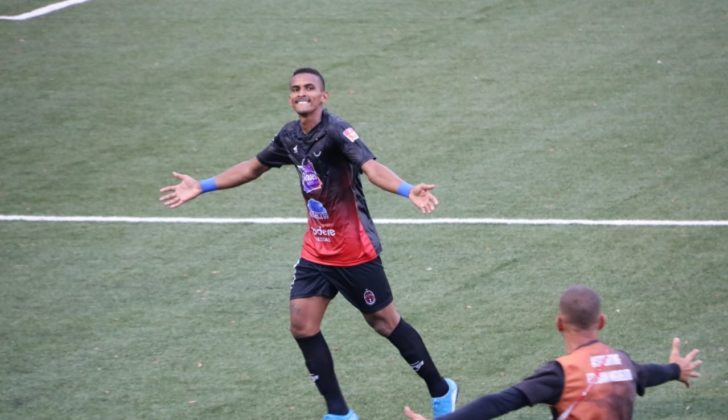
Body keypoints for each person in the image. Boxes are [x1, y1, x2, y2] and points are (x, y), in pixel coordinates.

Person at [160, 68, 457, 420]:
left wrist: (408, 190)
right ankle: (339, 413)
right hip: (316, 251)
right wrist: (202, 185)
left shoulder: (337, 131)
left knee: (384, 322)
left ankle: (441, 390)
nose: (301, 92)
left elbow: (372, 167)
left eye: (309, 88)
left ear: (323, 96)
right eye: (295, 88)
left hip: (355, 251)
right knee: (302, 325)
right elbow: (253, 167)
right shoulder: (289, 136)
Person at [403, 285, 702, 420]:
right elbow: (645, 374)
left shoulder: (561, 374)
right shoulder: (622, 363)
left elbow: (499, 403)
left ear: (559, 323)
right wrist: (676, 370)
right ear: (601, 321)